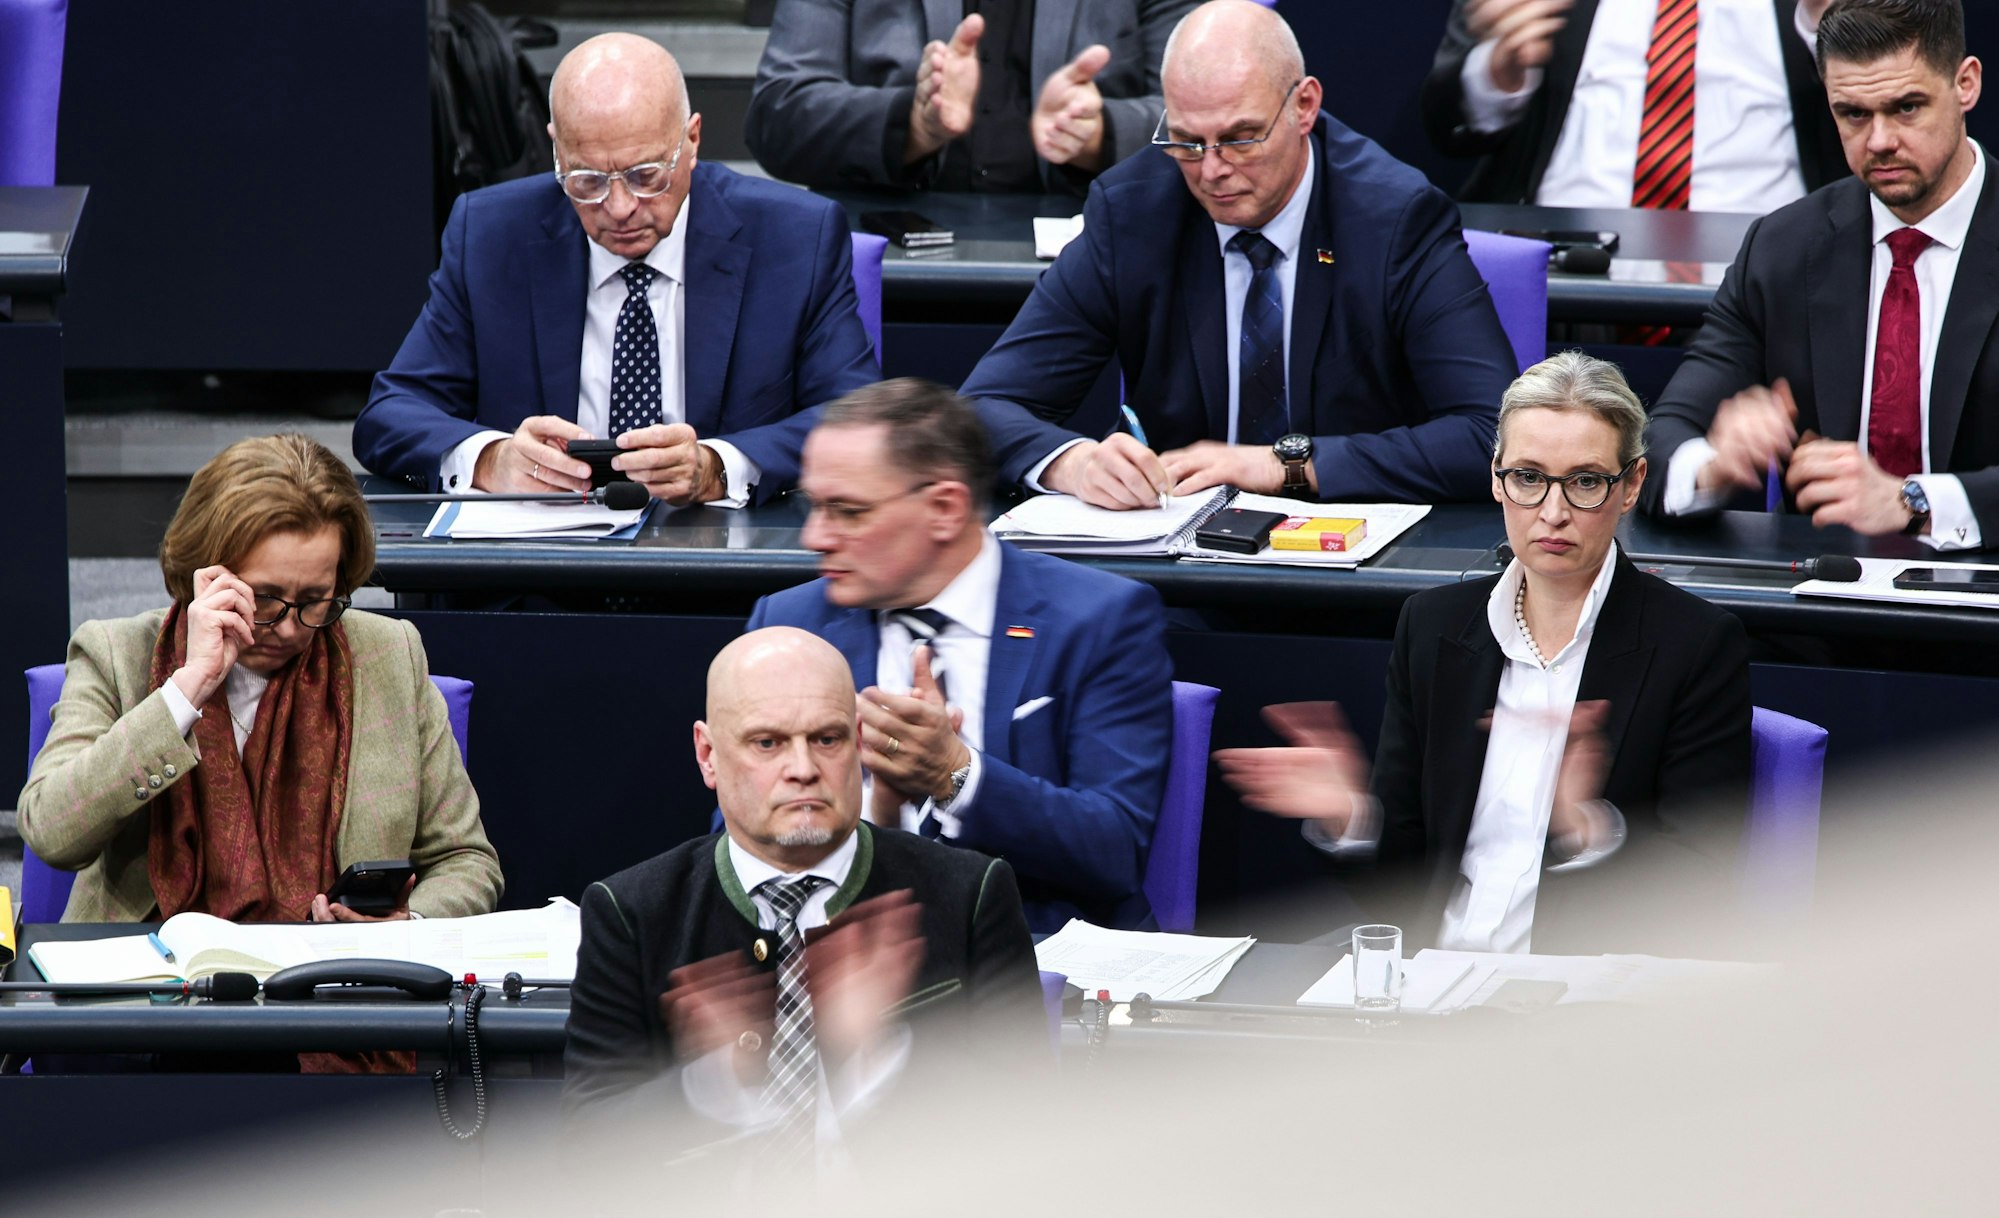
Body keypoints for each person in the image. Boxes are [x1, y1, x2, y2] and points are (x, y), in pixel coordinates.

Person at [1217, 353, 1750, 953]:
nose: (1553, 512)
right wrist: (1350, 816)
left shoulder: (1695, 644)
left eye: (1586, 481)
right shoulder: (1433, 626)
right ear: (1496, 477)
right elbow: (1405, 881)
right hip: (1430, 975)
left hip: (1579, 999)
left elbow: (1702, 884)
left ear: (1630, 486)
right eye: (1528, 477)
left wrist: (1585, 827)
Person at [958, 0, 1518, 511]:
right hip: (1181, 558)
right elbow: (982, 408)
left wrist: (1281, 465)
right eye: (1186, 140)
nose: (1211, 169)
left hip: (1353, 552)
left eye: (1241, 137)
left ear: (1304, 106)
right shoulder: (1134, 212)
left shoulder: (1394, 218)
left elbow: (1493, 435)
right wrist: (1073, 464)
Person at [561, 626, 1042, 1150]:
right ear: (708, 755)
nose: (803, 769)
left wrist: (876, 1056)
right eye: (767, 743)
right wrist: (719, 1079)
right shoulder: (631, 911)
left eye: (826, 739)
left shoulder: (969, 894)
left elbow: (1025, 1125)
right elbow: (589, 1148)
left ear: (858, 742)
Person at [353, 33, 879, 508]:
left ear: (692, 141)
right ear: (556, 151)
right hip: (539, 579)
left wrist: (718, 467)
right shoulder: (491, 234)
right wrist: (493, 459)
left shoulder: (794, 237)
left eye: (646, 174)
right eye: (586, 180)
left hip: (723, 583)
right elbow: (391, 414)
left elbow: (858, 417)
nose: (620, 206)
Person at [18, 434, 503, 924]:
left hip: (332, 982)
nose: (292, 628)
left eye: (317, 599)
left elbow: (467, 862)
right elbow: (51, 832)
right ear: (204, 572)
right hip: (152, 977)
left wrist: (406, 928)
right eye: (266, 599)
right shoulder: (116, 654)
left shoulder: (388, 655)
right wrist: (186, 691)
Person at [746, 379, 1174, 932]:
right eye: (813, 506)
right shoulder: (789, 625)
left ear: (945, 508)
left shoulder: (1098, 619)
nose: (814, 536)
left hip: (1033, 954)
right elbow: (737, 840)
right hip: (831, 951)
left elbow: (1113, 851)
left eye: (846, 511)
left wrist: (956, 774)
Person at [1640, 0, 1996, 549]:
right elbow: (1662, 438)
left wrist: (1913, 502)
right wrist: (1714, 462)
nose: (1878, 141)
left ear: (1965, 84)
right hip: (1820, 606)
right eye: (1853, 113)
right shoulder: (1782, 248)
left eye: (1906, 107)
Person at [1422, 0, 1847, 207]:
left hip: (1767, 270)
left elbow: (1893, 89)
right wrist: (1500, 70)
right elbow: (1449, 123)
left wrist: (1828, 28)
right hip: (1564, 266)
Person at [746, 0, 1198, 193]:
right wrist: (912, 126)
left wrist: (1100, 134)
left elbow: (1214, 114)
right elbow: (777, 114)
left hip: (1095, 251)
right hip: (886, 262)